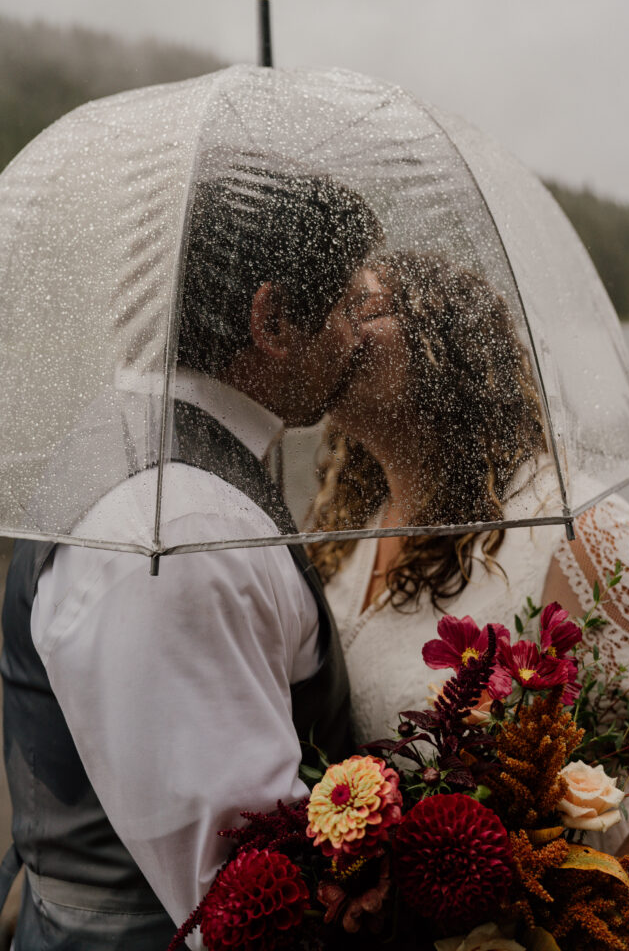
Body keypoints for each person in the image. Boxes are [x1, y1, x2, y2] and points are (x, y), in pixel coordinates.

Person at [0, 167, 383, 949]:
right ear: (272, 321)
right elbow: (243, 903)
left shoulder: (146, 439)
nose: (360, 333)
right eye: (348, 306)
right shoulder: (185, 534)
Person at [309, 249, 629, 856]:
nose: (330, 327)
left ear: (444, 338)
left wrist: (605, 928)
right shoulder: (347, 534)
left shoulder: (576, 536)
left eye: (361, 306)